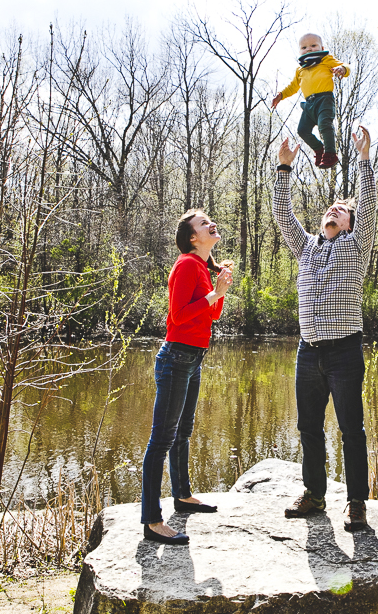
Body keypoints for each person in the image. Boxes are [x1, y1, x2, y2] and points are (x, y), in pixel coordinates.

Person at [272, 125, 376, 532]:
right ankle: (315, 495)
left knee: (352, 430)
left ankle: (356, 503)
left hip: (345, 352)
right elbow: (282, 214)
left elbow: (367, 205)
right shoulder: (306, 247)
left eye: (341, 210)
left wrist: (363, 159)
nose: (333, 210)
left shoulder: (356, 245)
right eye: (329, 208)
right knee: (307, 427)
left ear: (351, 223)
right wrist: (284, 168)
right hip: (308, 351)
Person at [141, 210, 233, 545]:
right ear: (192, 237)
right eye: (203, 223)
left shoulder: (204, 268)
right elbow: (178, 317)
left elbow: (211, 315)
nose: (211, 223)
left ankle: (182, 496)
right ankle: (152, 520)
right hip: (176, 357)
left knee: (183, 432)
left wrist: (219, 291)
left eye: (212, 220)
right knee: (161, 439)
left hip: (193, 357)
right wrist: (212, 294)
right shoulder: (186, 264)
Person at [271, 33, 350, 170]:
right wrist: (281, 95)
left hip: (324, 99)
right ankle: (319, 149)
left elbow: (344, 65)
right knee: (302, 130)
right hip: (309, 104)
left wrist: (342, 69)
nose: (309, 49)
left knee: (324, 124)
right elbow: (293, 87)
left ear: (321, 47)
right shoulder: (301, 69)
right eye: (304, 47)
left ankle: (330, 153)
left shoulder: (326, 60)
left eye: (313, 46)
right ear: (300, 50)